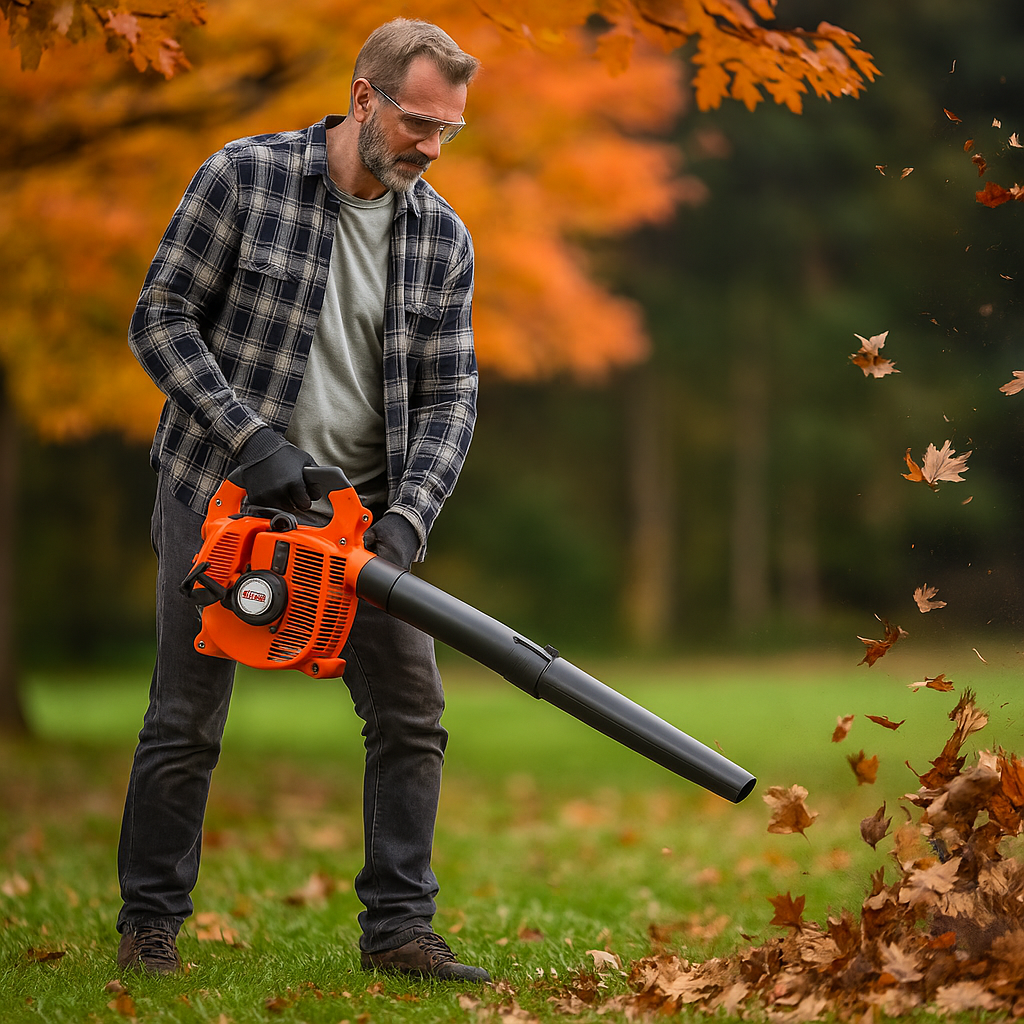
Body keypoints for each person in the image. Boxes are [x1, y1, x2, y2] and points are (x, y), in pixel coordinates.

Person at [116, 19, 488, 983]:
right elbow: (160, 319)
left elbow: (451, 398)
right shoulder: (244, 178)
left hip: (359, 519)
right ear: (364, 97)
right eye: (417, 122)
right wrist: (251, 439)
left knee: (412, 714)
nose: (431, 145)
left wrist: (408, 517)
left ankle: (399, 931)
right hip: (222, 494)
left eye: (449, 129)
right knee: (185, 719)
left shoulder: (442, 236)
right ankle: (150, 927)